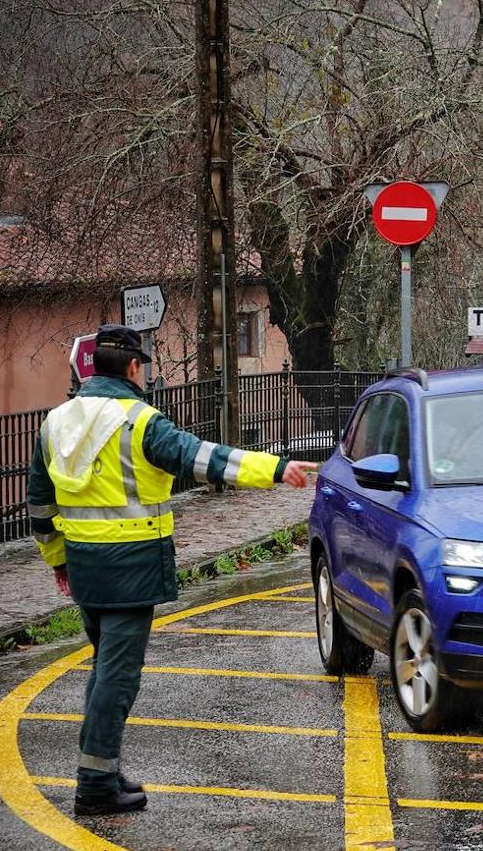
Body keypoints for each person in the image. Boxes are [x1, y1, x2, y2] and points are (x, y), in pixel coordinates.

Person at [26, 325, 317, 816]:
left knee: (104, 673)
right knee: (117, 680)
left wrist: (58, 560)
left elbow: (38, 505)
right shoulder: (139, 421)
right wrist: (271, 469)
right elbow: (202, 458)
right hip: (131, 572)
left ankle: (103, 766)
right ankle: (95, 784)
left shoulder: (55, 423)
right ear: (135, 368)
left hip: (86, 572)